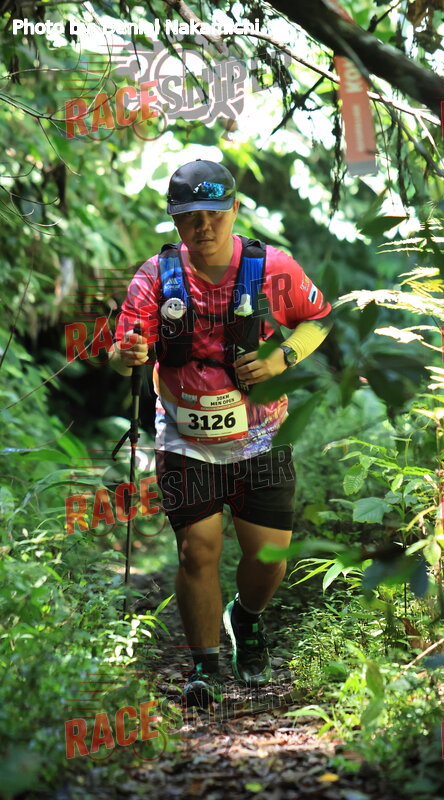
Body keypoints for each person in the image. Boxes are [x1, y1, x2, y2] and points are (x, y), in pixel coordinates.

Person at [110, 158, 332, 708]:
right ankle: (204, 666)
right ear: (175, 219)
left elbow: (319, 319)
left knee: (269, 558)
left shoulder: (273, 268)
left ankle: (246, 617)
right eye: (190, 216)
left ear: (233, 209)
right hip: (184, 437)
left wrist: (281, 358)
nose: (203, 226)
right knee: (197, 551)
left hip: (261, 434)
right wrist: (127, 354)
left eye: (214, 213)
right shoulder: (155, 277)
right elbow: (121, 350)